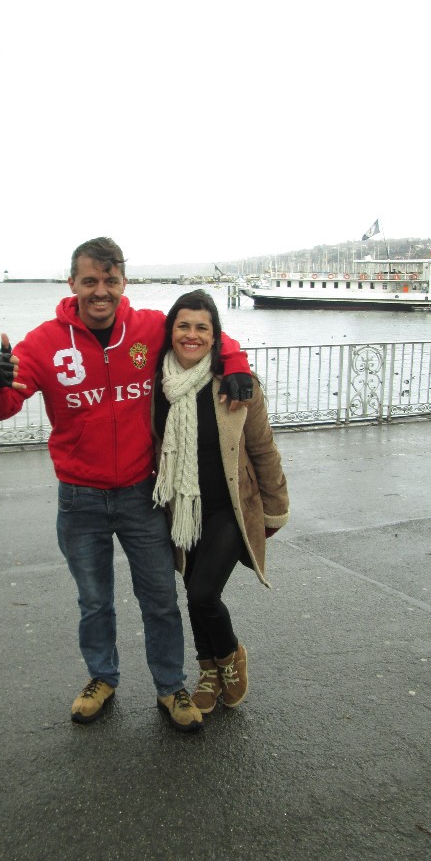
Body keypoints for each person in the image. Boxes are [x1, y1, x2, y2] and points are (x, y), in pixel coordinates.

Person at [0, 237, 253, 733]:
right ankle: (101, 678)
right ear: (72, 283)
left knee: (160, 599)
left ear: (124, 281)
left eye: (109, 280)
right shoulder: (43, 342)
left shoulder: (147, 327)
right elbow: (0, 409)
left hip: (140, 493)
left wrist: (234, 364)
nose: (100, 290)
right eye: (90, 281)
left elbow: (206, 334)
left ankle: (170, 685)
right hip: (79, 497)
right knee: (94, 601)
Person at [151, 289, 289, 714]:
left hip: (231, 507)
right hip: (183, 509)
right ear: (170, 331)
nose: (191, 335)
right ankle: (208, 671)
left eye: (202, 327)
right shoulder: (157, 384)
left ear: (215, 336)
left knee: (202, 594)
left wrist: (275, 508)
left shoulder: (236, 383)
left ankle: (229, 656)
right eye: (183, 326)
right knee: (193, 590)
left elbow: (263, 448)